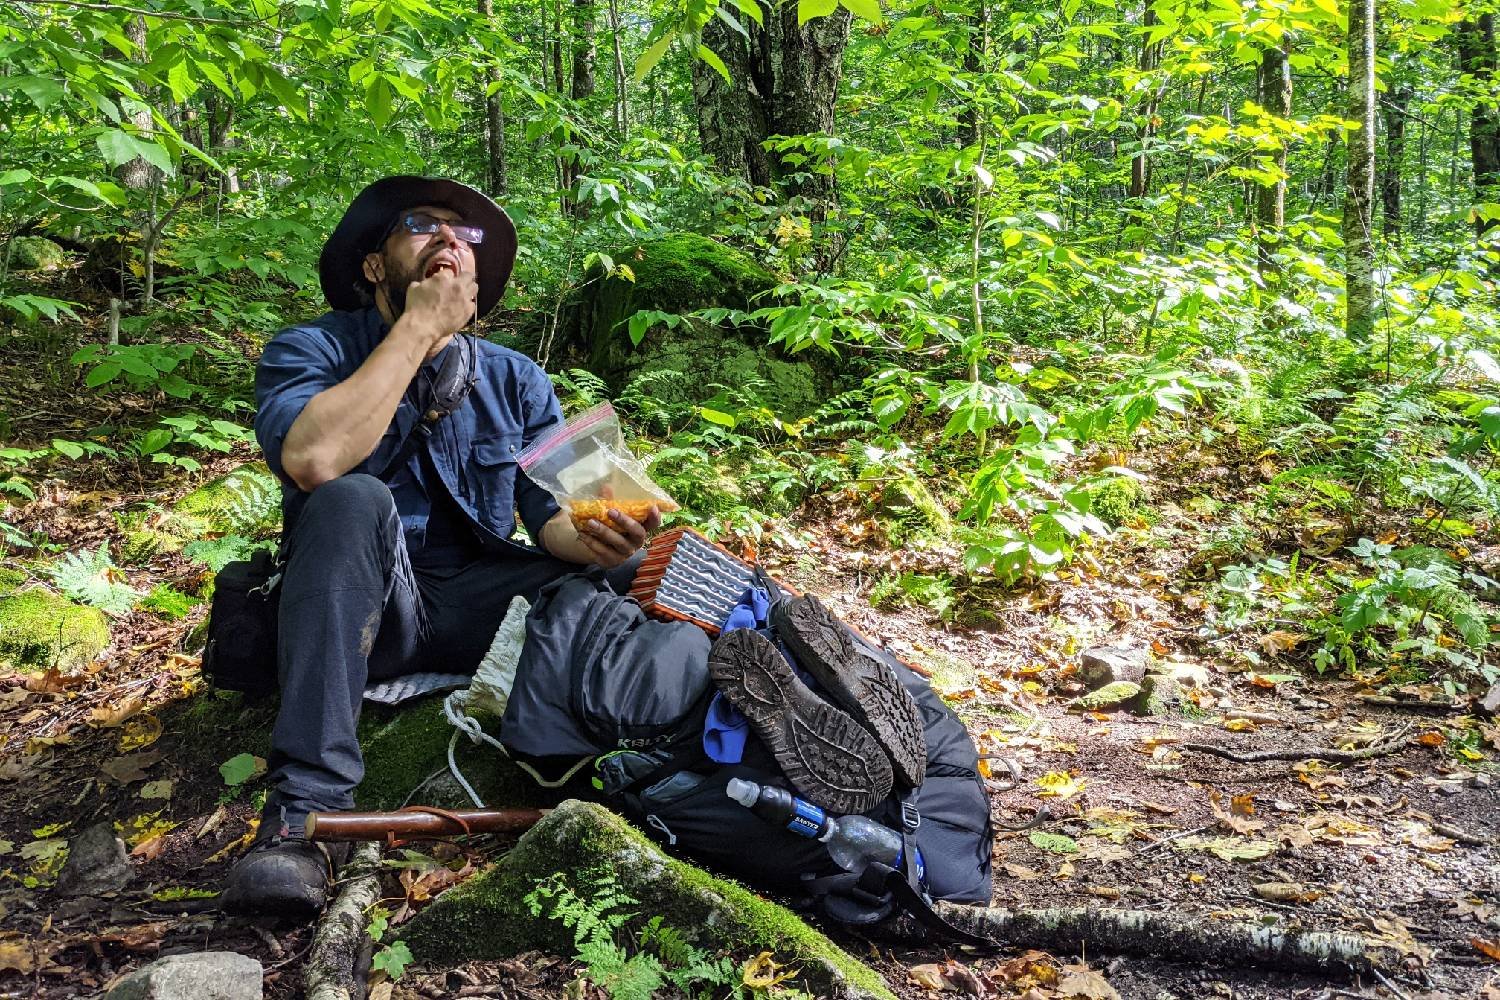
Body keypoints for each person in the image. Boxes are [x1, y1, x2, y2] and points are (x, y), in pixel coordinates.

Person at [220, 176, 660, 916]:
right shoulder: (311, 347)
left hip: (484, 610)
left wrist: (598, 534)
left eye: (466, 236)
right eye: (424, 226)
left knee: (649, 565)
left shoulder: (518, 378)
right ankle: (303, 818)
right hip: (367, 610)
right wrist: (418, 331)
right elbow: (314, 461)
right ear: (373, 264)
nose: (451, 242)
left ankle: (655, 770)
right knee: (351, 497)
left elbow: (550, 516)